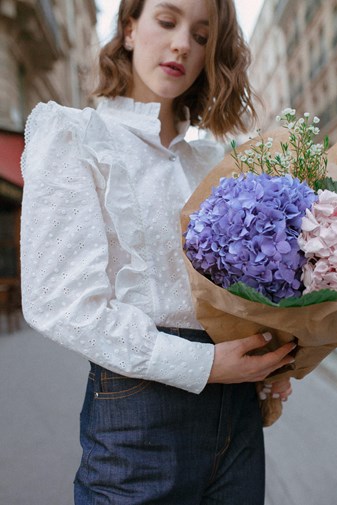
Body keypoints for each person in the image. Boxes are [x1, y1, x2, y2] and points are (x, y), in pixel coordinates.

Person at [21, 0, 294, 503]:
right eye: (167, 22)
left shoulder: (217, 161)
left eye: (203, 36)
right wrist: (204, 365)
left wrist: (278, 353)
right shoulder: (76, 136)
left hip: (237, 412)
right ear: (128, 29)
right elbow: (58, 303)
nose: (182, 45)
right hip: (139, 414)